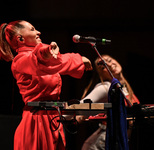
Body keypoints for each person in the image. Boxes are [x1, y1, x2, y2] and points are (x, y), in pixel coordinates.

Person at [0, 20, 93, 150]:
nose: (38, 32)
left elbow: (57, 63)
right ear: (20, 38)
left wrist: (76, 61)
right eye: (32, 29)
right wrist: (76, 59)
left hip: (53, 118)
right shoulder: (20, 60)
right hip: (36, 121)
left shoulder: (40, 59)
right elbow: (42, 62)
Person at [80, 54, 140, 150]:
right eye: (103, 66)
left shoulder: (125, 89)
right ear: (101, 74)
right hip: (103, 142)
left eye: (109, 60)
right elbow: (80, 106)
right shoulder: (106, 87)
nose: (109, 64)